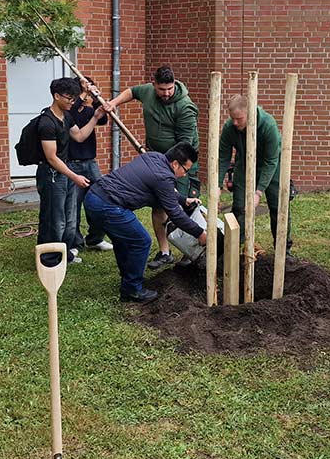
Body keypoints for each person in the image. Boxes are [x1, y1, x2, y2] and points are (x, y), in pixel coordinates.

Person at [83, 142, 207, 303]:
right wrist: (199, 233)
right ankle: (132, 290)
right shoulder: (164, 176)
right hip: (108, 205)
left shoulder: (154, 157)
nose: (184, 175)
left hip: (94, 197)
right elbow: (175, 214)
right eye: (185, 170)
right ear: (175, 163)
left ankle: (128, 280)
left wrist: (184, 200)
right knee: (141, 241)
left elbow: (165, 191)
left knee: (124, 240)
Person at [104, 66, 200, 270]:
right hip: (157, 161)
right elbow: (132, 92)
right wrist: (113, 103)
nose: (166, 93)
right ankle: (165, 252)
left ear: (175, 84)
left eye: (170, 89)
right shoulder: (148, 91)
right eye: (162, 89)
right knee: (158, 207)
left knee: (178, 207)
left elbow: (185, 147)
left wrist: (163, 164)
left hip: (178, 164)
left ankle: (190, 250)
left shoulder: (185, 107)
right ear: (153, 83)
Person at [37, 77, 105, 267]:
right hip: (51, 175)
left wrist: (96, 116)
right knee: (55, 219)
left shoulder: (66, 117)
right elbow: (51, 157)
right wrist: (74, 176)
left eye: (74, 98)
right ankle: (49, 259)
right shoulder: (47, 122)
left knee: (69, 219)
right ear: (56, 96)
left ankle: (66, 254)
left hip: (64, 173)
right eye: (69, 98)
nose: (72, 102)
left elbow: (81, 136)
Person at [218, 94, 292, 253]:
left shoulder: (268, 125)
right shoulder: (230, 127)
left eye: (239, 119)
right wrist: (217, 185)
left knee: (278, 207)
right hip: (244, 165)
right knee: (239, 207)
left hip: (272, 168)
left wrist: (258, 192)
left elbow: (271, 161)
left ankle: (284, 249)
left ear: (250, 114)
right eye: (233, 118)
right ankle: (239, 247)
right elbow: (223, 157)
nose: (235, 122)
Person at [67, 77, 113, 253]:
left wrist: (96, 99)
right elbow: (71, 116)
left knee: (102, 199)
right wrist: (83, 93)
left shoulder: (88, 110)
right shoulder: (66, 112)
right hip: (72, 164)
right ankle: (74, 243)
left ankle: (95, 239)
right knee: (73, 206)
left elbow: (101, 120)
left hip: (90, 163)